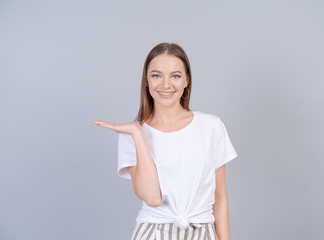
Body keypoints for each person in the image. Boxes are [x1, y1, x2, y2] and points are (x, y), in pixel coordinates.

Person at [93, 42, 238, 240]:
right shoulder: (131, 135)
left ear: (186, 80)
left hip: (202, 232)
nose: (165, 85)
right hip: (153, 233)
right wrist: (137, 133)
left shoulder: (211, 126)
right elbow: (152, 198)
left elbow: (220, 197)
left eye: (175, 76)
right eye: (156, 75)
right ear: (146, 81)